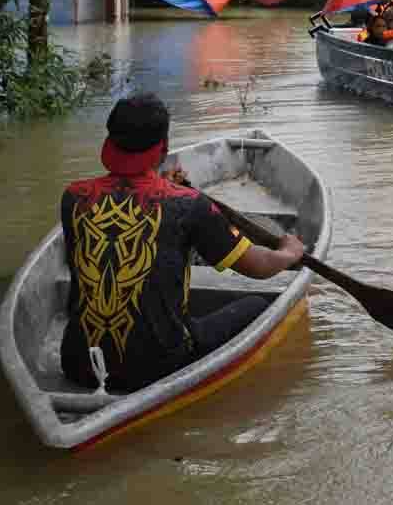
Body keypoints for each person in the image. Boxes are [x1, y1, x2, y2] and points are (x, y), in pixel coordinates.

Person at [59, 93, 305, 393]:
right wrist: (288, 253)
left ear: (110, 141)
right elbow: (259, 268)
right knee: (255, 305)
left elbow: (134, 201)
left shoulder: (75, 197)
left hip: (76, 364)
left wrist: (167, 186)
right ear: (163, 147)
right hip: (158, 367)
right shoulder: (190, 205)